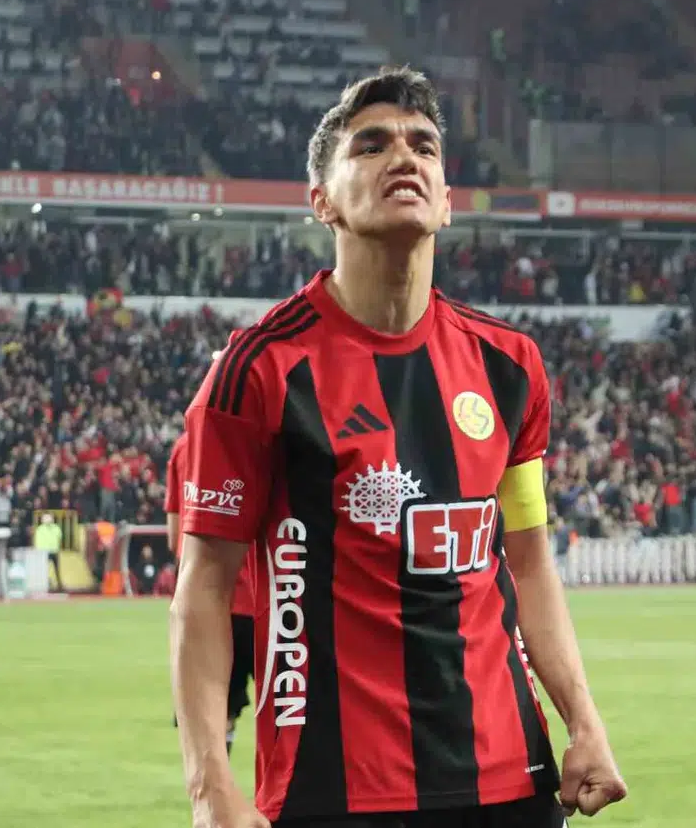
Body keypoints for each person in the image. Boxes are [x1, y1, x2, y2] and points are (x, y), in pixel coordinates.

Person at [170, 67, 626, 828]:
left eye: (424, 145)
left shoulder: (509, 366)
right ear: (322, 201)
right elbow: (205, 587)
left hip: (509, 783)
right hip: (334, 791)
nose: (404, 157)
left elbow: (528, 561)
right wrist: (209, 787)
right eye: (372, 145)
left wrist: (584, 720)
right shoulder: (261, 369)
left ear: (446, 202)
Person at [166, 433, 256, 750]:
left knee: (213, 716)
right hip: (264, 600)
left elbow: (174, 537)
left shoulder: (184, 447)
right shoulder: (265, 437)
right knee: (287, 711)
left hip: (204, 600)